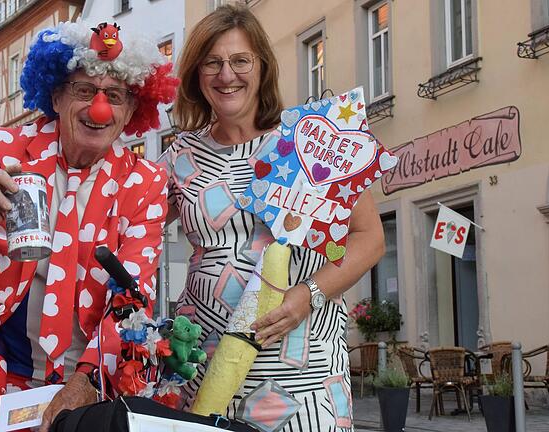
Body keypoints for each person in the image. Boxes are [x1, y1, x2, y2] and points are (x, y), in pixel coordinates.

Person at [0, 20, 178, 432]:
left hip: (90, 385)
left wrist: (84, 381)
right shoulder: (3, 150)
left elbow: (134, 300)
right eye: (84, 91)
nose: (99, 108)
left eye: (114, 96)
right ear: (56, 95)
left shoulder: (146, 183)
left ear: (132, 110)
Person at [160, 4, 385, 431]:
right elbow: (133, 226)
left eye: (240, 60)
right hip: (209, 368)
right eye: (212, 62)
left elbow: (369, 237)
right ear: (196, 75)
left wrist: (308, 293)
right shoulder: (180, 157)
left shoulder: (309, 139)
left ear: (262, 66)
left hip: (302, 369)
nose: (227, 75)